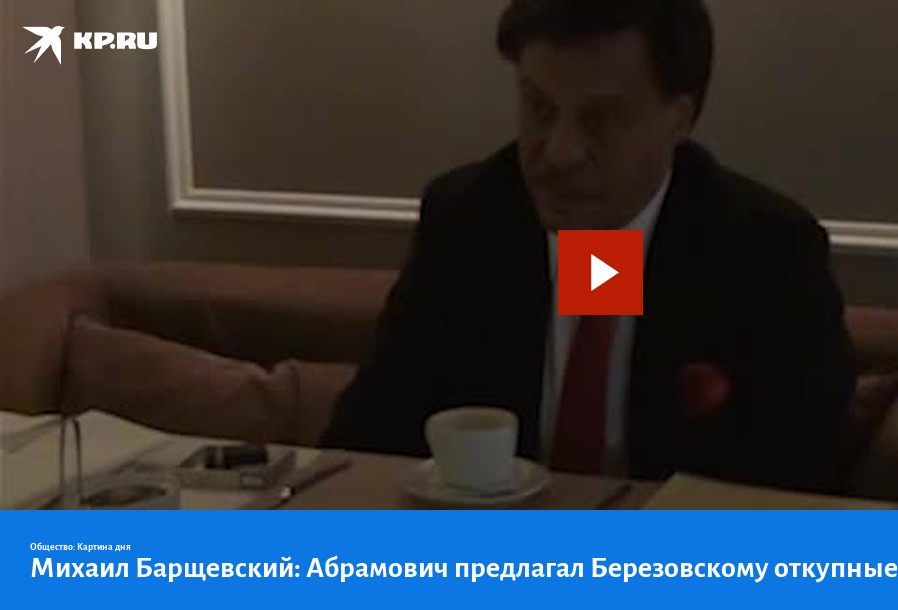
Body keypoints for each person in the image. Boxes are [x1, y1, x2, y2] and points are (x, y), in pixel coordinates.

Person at [322, 0, 857, 493]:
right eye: (539, 108)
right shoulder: (468, 217)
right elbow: (365, 438)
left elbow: (803, 485)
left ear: (679, 118)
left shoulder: (766, 250)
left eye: (599, 119)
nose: (559, 153)